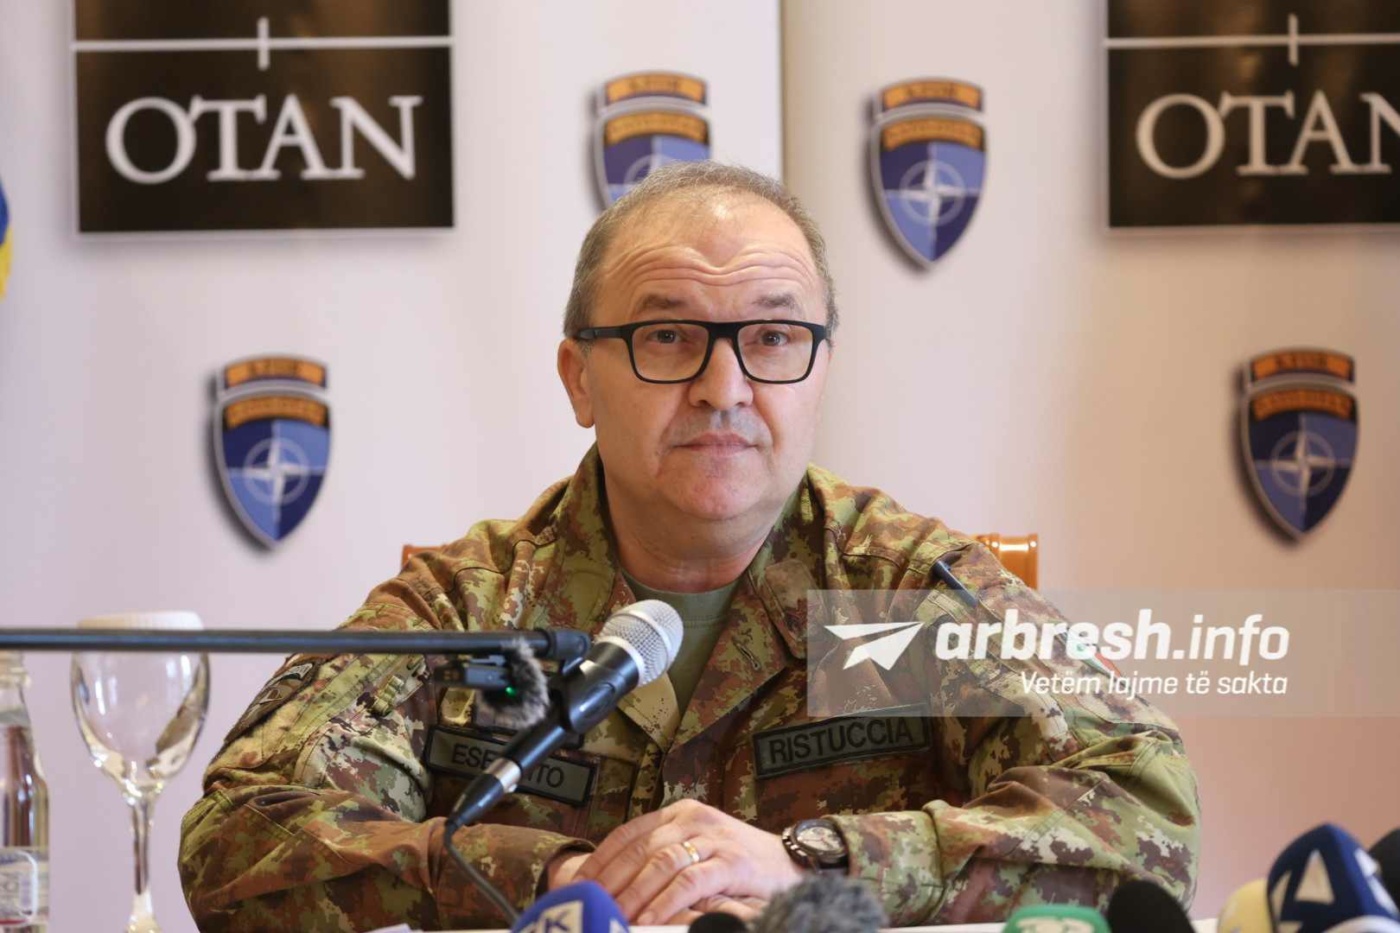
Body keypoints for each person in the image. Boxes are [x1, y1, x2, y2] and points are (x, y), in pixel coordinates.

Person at [179, 162, 1200, 930]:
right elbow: (238, 838)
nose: (724, 388)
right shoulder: (470, 607)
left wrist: (815, 862)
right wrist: (550, 878)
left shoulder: (896, 596)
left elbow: (1143, 811)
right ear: (579, 378)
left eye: (771, 336)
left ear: (821, 370)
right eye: (667, 336)